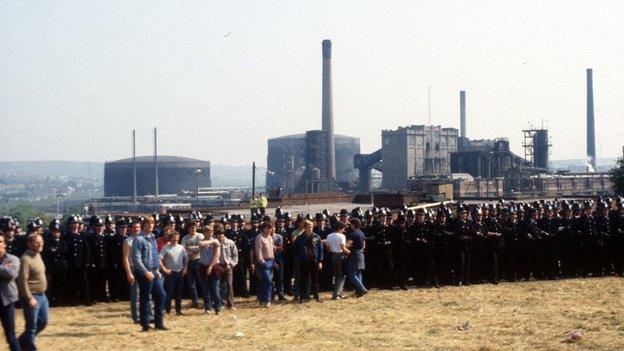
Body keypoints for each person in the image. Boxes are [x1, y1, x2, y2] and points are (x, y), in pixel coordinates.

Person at [132, 217, 167, 332]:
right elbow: (136, 260)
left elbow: (155, 255)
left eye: (152, 223)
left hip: (154, 272)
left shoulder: (152, 237)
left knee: (161, 295)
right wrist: (146, 272)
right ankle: (145, 324)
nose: (151, 225)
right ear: (143, 225)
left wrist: (156, 269)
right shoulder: (139, 239)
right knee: (145, 298)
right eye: (148, 223)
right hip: (144, 273)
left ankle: (159, 323)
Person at [17, 234, 48, 350]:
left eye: (41, 241)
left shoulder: (37, 255)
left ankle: (20, 342)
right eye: (37, 242)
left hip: (42, 296)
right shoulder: (25, 259)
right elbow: (21, 281)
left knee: (43, 322)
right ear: (29, 244)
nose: (40, 244)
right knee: (31, 327)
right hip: (32, 296)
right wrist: (29, 298)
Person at [293, 220, 323, 303]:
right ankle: (302, 297)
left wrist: (320, 261)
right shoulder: (300, 238)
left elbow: (320, 250)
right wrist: (300, 255)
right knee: (303, 280)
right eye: (308, 227)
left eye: (311, 227)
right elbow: (294, 248)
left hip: (314, 261)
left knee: (315, 280)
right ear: (305, 228)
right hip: (304, 262)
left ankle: (316, 297)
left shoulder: (317, 237)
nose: (310, 229)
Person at [160, 231, 188, 315]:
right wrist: (164, 269)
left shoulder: (181, 248)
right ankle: (167, 310)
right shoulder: (166, 248)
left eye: (177, 237)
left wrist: (185, 269)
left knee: (179, 293)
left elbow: (186, 259)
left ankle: (178, 311)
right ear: (170, 238)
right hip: (170, 273)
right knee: (169, 293)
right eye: (173, 237)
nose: (175, 239)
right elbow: (159, 259)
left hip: (180, 272)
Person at [0, 235, 20, 351]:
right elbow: (5, 272)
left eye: (0, 241)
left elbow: (11, 274)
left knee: (11, 336)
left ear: (5, 244)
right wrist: (3, 268)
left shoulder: (13, 259)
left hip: (6, 302)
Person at [180, 220, 204, 309]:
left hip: (198, 261)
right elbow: (182, 249)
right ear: (188, 228)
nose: (193, 229)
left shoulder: (200, 236)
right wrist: (191, 250)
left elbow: (200, 247)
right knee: (191, 283)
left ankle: (207, 300)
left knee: (201, 282)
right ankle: (195, 301)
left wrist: (189, 248)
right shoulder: (185, 238)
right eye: (191, 227)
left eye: (194, 227)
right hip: (188, 262)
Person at [197, 226, 221, 314]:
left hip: (213, 267)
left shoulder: (216, 241)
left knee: (215, 290)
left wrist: (210, 267)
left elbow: (217, 256)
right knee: (205, 290)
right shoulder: (203, 241)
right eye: (208, 231)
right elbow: (200, 244)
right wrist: (212, 241)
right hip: (203, 266)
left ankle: (217, 308)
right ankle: (207, 308)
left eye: (211, 231)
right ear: (204, 232)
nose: (210, 232)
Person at [325, 221, 350, 300]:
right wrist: (350, 252)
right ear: (340, 228)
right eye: (343, 229)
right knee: (341, 276)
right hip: (340, 255)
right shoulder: (342, 236)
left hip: (333, 256)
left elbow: (328, 249)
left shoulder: (329, 236)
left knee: (336, 275)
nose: (343, 230)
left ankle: (338, 293)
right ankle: (336, 294)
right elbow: (343, 248)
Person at [255, 222, 275, 307]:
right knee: (267, 281)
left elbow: (272, 251)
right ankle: (267, 300)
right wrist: (262, 262)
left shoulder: (270, 237)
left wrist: (274, 262)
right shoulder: (259, 238)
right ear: (263, 228)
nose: (269, 230)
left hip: (271, 261)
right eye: (268, 228)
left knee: (267, 281)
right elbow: (258, 251)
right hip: (264, 262)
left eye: (270, 228)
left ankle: (263, 299)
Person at [217, 226, 238, 309]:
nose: (220, 237)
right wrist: (217, 266)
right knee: (220, 285)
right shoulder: (215, 244)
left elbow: (235, 256)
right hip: (219, 266)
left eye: (221, 235)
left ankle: (230, 304)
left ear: (223, 234)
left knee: (229, 285)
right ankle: (221, 303)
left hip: (228, 266)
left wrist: (231, 265)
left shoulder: (230, 243)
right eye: (218, 236)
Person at [347, 218, 368, 297]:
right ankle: (359, 291)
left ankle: (362, 289)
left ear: (353, 225)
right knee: (359, 273)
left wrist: (343, 245)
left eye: (351, 224)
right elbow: (364, 244)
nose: (350, 225)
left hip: (354, 254)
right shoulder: (362, 233)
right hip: (361, 253)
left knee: (352, 275)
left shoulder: (352, 234)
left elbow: (348, 244)